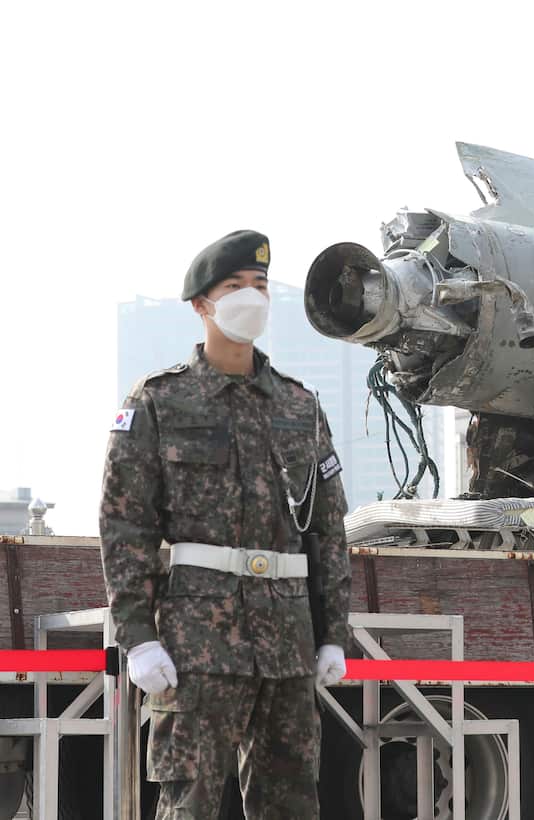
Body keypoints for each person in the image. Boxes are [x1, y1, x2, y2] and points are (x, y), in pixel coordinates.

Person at [100, 229, 352, 818]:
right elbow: (125, 524)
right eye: (235, 285)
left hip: (288, 642)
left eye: (259, 284)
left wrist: (333, 632)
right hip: (197, 643)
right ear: (201, 304)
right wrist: (138, 637)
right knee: (188, 803)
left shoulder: (300, 405)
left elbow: (328, 529)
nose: (251, 297)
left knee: (292, 803)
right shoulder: (159, 400)